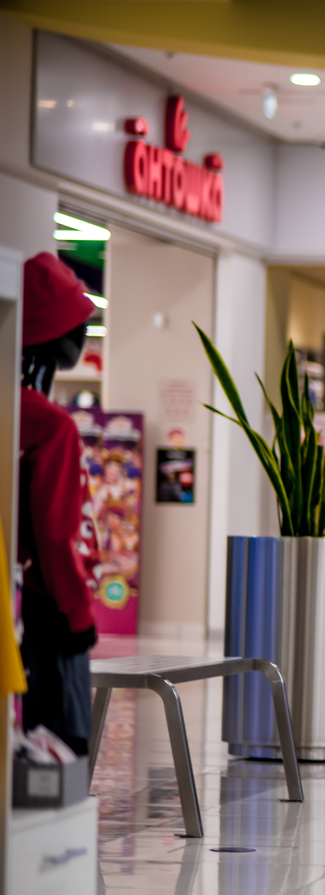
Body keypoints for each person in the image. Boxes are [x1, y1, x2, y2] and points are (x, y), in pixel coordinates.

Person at [19, 253, 101, 754]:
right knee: (60, 750)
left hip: (16, 599)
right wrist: (79, 616)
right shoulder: (51, 423)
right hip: (48, 609)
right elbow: (56, 531)